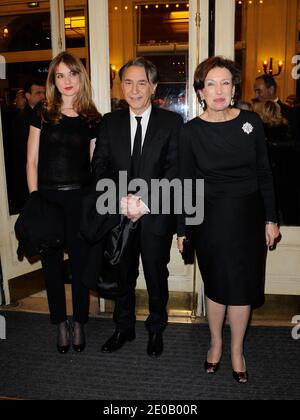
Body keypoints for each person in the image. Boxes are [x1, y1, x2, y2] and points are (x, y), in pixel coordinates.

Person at [177, 56, 280, 383]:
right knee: (218, 284)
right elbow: (185, 184)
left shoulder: (251, 122)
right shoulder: (190, 131)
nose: (218, 90)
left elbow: (265, 174)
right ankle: (216, 342)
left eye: (225, 83)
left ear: (234, 88)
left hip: (248, 218)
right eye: (211, 83)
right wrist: (182, 228)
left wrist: (271, 218)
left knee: (242, 285)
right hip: (209, 220)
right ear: (201, 91)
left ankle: (237, 349)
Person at [92, 57, 183, 358]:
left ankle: (155, 330)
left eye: (141, 82)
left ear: (153, 86)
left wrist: (144, 203)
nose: (134, 89)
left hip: (155, 215)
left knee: (157, 274)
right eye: (128, 82)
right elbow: (99, 167)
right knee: (122, 273)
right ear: (121, 86)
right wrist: (121, 200)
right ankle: (123, 327)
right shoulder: (109, 122)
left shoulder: (171, 123)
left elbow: (174, 171)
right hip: (118, 214)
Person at [27, 52, 101, 353]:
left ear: (80, 77)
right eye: (60, 75)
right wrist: (34, 199)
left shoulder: (91, 118)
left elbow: (96, 164)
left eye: (72, 73)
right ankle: (60, 322)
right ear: (53, 81)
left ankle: (80, 321)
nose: (67, 81)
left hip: (80, 200)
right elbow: (31, 160)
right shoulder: (41, 113)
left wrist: (96, 201)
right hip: (47, 198)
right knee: (52, 266)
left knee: (81, 266)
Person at [11, 81, 46, 213]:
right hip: (26, 178)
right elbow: (22, 152)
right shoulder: (22, 118)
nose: (42, 96)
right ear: (27, 95)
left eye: (43, 92)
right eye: (38, 93)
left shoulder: (45, 114)